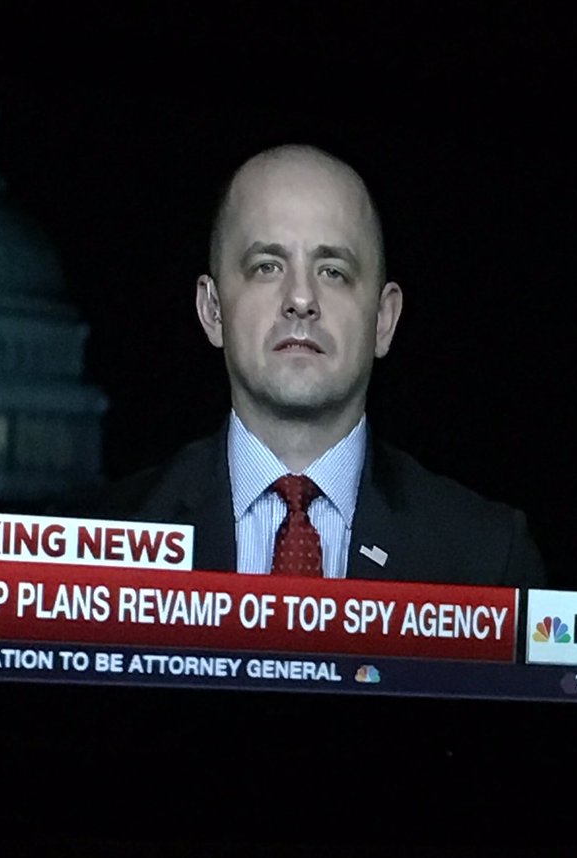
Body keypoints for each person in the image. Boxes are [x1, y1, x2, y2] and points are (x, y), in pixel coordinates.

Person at [96, 144, 546, 587]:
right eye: (267, 266)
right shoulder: (102, 541)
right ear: (212, 310)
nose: (300, 299)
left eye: (333, 271)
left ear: (384, 319)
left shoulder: (487, 559)